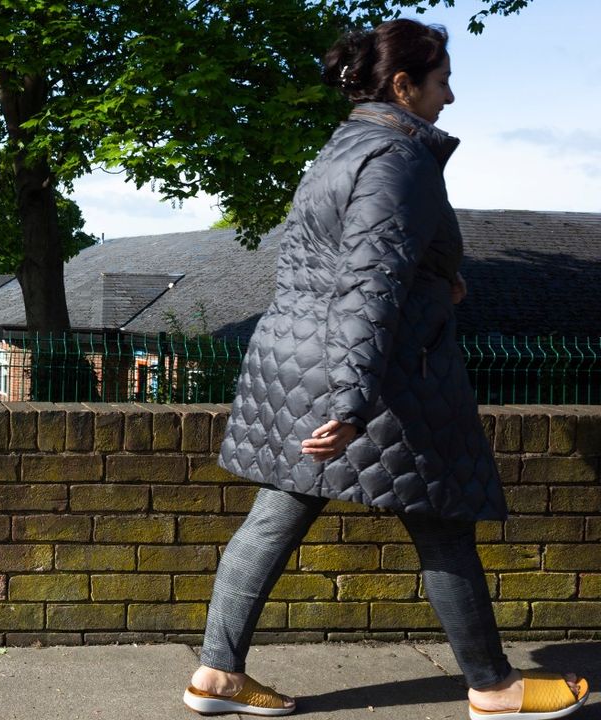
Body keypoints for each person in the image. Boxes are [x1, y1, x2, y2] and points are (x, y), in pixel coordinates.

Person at [182, 18, 589, 720]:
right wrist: (350, 398)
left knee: (276, 515)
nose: (451, 97)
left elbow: (332, 261)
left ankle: (217, 674)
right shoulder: (399, 159)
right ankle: (494, 687)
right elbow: (369, 282)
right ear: (403, 85)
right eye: (441, 81)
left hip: (302, 355)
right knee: (443, 519)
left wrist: (439, 282)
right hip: (381, 371)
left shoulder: (343, 148)